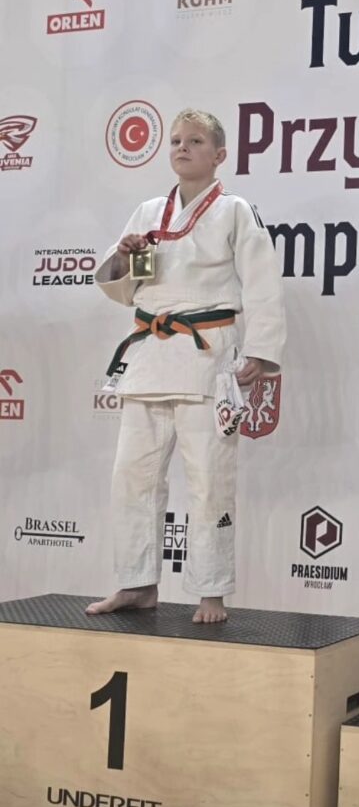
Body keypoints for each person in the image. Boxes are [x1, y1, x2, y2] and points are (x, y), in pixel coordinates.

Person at [87, 108, 285, 624]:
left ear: (219, 155)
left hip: (207, 356)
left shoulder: (235, 211)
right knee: (132, 477)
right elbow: (124, 288)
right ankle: (136, 582)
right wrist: (125, 256)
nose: (181, 147)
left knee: (209, 478)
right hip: (150, 354)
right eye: (175, 140)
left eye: (195, 141)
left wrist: (260, 350)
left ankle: (211, 590)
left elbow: (262, 282)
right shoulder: (149, 211)